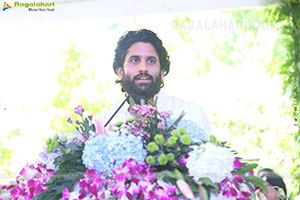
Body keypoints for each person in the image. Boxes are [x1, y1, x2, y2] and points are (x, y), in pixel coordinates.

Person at [95, 29, 213, 137]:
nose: (143, 68)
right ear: (120, 72)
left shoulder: (190, 114)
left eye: (151, 61)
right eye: (135, 60)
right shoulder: (103, 122)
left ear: (162, 72)